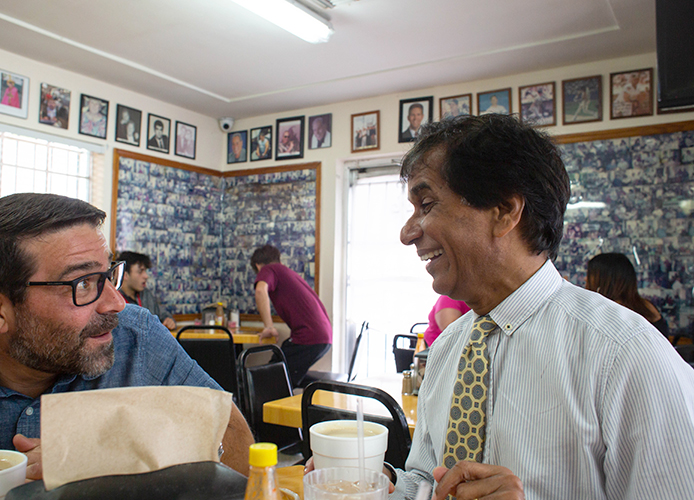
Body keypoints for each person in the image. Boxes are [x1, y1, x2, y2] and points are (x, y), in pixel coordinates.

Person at [384, 114, 694, 499]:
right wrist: (376, 486)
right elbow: (428, 482)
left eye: (426, 204)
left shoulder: (625, 354)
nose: (407, 232)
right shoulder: (448, 348)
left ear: (505, 210)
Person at [0, 193, 253, 479]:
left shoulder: (137, 336)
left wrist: (103, 455)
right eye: (83, 283)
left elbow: (241, 450)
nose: (117, 304)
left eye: (108, 275)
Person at [250, 245, 332, 388]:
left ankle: (270, 408)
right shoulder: (286, 272)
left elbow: (260, 291)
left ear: (258, 266)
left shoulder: (268, 269)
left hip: (310, 337)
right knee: (283, 371)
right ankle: (324, 389)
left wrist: (269, 326)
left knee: (273, 375)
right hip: (322, 336)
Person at [586, 252, 670, 337]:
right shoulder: (646, 306)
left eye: (590, 275)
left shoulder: (609, 312)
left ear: (605, 279)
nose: (586, 279)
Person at [116, 251, 177, 330]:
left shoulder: (147, 295)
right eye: (140, 272)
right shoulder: (113, 300)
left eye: (145, 271)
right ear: (125, 275)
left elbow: (164, 315)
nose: (146, 276)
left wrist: (169, 321)